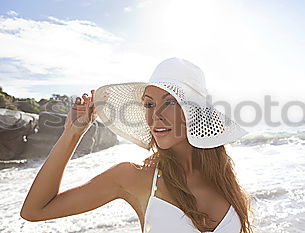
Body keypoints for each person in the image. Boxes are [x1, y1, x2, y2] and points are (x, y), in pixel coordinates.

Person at [20, 57, 254, 233]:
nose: (156, 116)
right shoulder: (134, 177)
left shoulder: (222, 177)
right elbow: (35, 210)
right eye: (149, 105)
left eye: (170, 102)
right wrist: (72, 134)